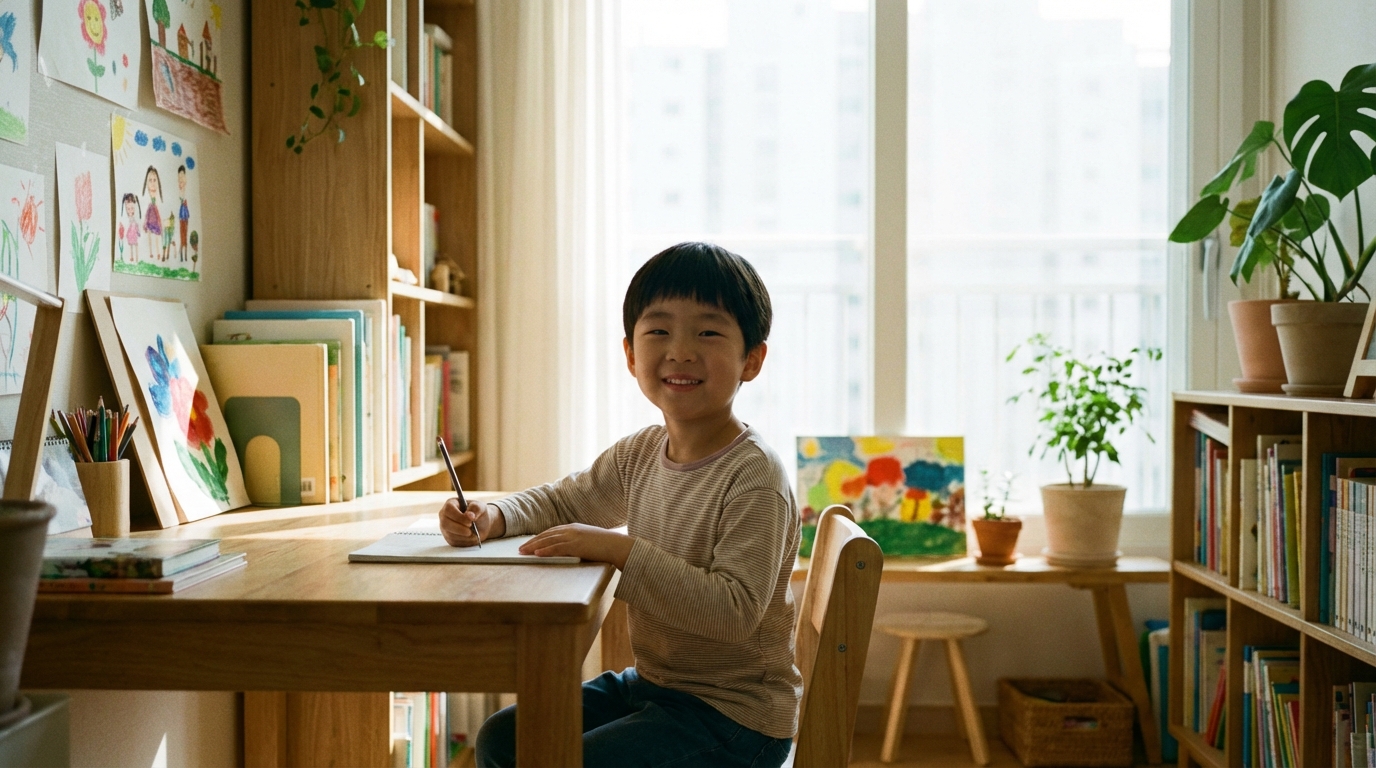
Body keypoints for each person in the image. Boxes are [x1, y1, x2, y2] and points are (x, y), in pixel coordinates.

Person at [440, 242, 799, 768]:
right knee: (502, 738)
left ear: (752, 359)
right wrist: (493, 516)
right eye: (659, 331)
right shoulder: (641, 452)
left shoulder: (754, 477)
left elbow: (734, 613)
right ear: (631, 354)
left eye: (708, 331)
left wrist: (619, 552)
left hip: (736, 718)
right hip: (657, 685)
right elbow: (564, 499)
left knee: (564, 760)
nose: (680, 351)